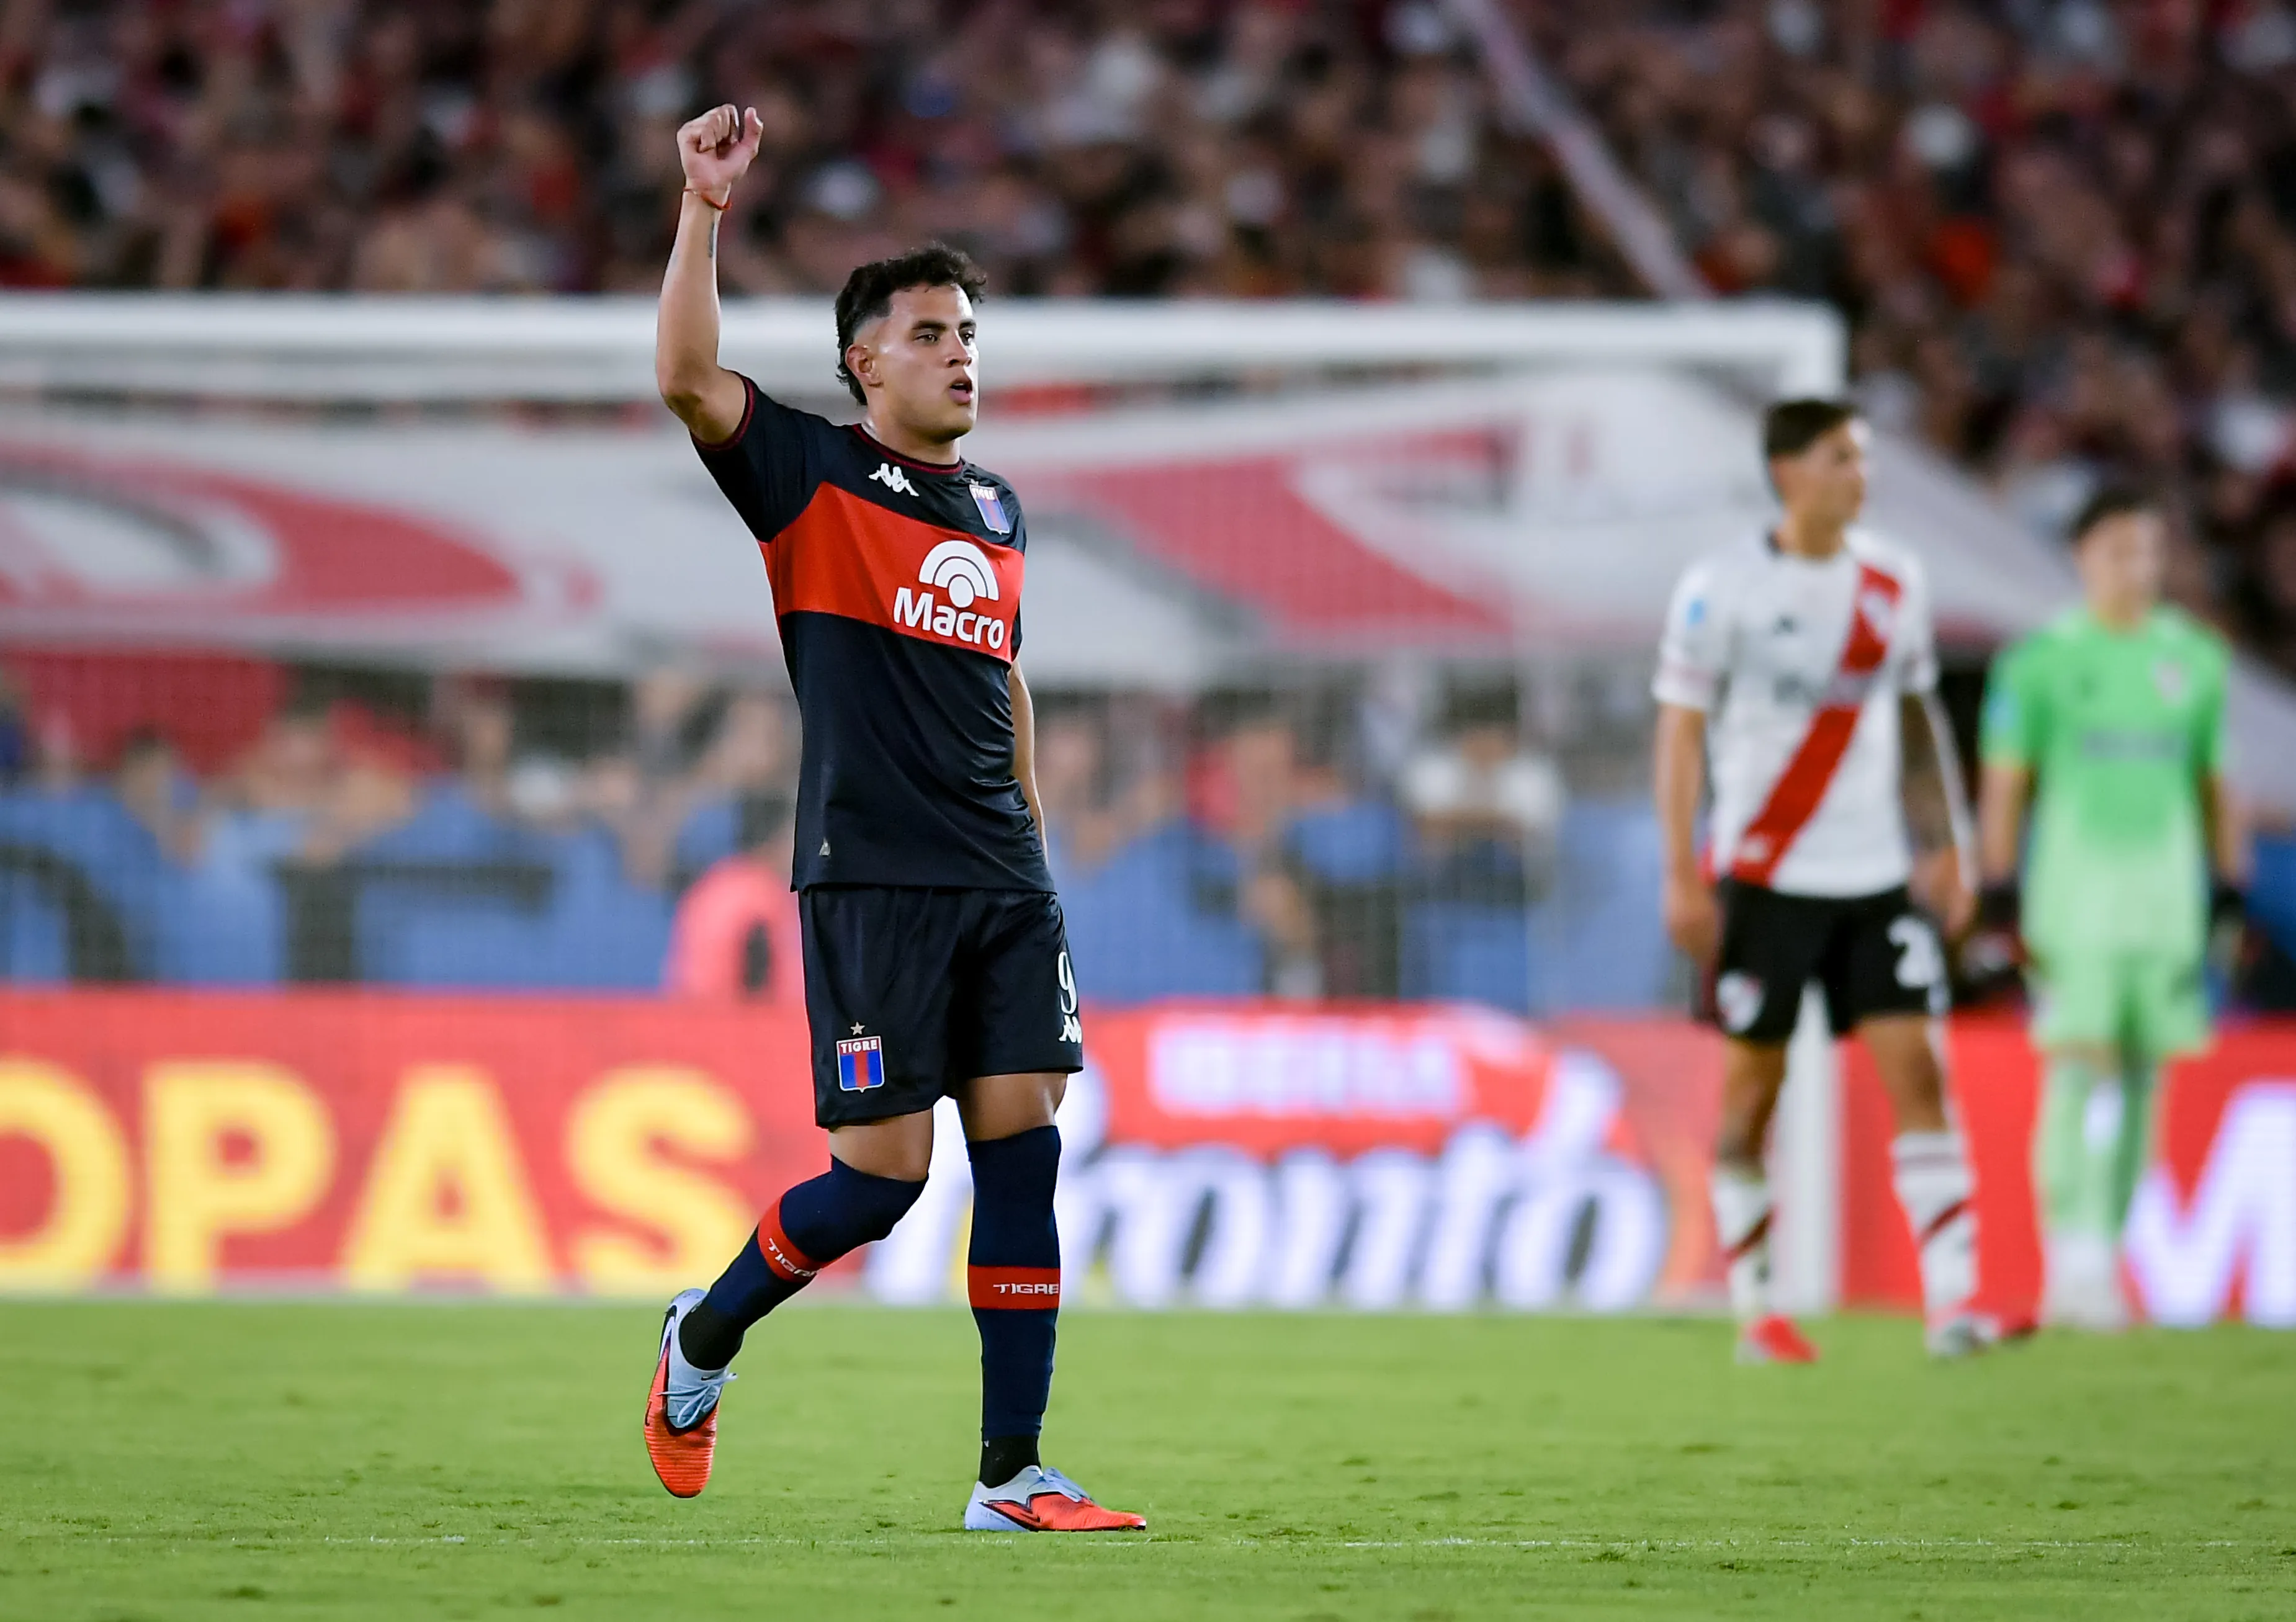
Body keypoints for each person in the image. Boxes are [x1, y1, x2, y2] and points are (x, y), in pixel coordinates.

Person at [642, 103, 1142, 1533]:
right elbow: (684, 375)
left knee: (1025, 1144)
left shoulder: (995, 509)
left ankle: (1010, 1472)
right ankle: (702, 1337)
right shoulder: (803, 475)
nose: (960, 351)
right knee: (880, 1186)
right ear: (864, 359)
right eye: (929, 332)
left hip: (1002, 877)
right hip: (870, 877)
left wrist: (1032, 822)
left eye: (968, 330)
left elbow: (1002, 670)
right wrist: (704, 208)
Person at [1653, 398, 2004, 1363]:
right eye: (1841, 457)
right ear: (1788, 472)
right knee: (1749, 1096)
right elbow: (1680, 731)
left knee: (1917, 1071)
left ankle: (1953, 1306)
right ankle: (1758, 1311)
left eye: (1865, 458)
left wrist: (1947, 841)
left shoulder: (1895, 581)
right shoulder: (1718, 587)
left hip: (1874, 875)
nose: (1862, 474)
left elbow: (1918, 719)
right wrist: (1680, 871)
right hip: (1763, 878)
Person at [1975, 489, 2243, 1330]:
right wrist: (1997, 879)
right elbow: (2007, 779)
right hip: (2074, 900)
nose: (2141, 567)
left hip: (2167, 901)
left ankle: (2110, 1251)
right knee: (2075, 1062)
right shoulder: (2041, 661)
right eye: (2123, 549)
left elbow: (2215, 780)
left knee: (2141, 1075)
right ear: (2085, 554)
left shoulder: (2195, 658)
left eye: (2152, 551)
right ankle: (2072, 1259)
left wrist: (2228, 882)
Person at [661, 793, 802, 1005]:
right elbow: (758, 984)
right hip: (735, 1025)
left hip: (691, 1017)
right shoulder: (763, 896)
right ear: (776, 840)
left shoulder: (714, 882)